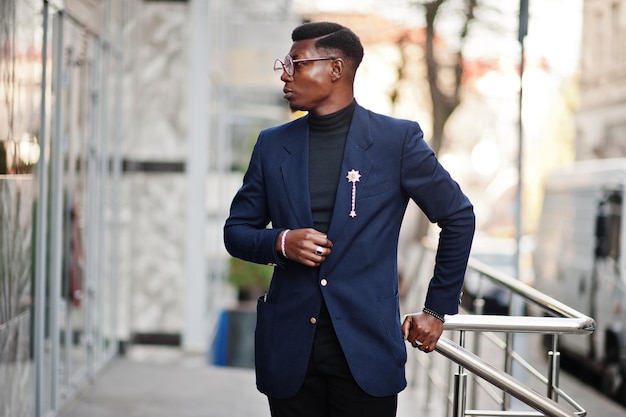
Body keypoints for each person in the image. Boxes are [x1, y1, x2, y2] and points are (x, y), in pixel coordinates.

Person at [223, 21, 475, 417]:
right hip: (291, 351)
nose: (285, 76)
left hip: (366, 349)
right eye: (283, 66)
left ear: (336, 69)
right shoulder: (273, 146)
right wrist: (281, 242)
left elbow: (459, 217)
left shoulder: (397, 141)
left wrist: (436, 309)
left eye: (296, 64)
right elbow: (235, 233)